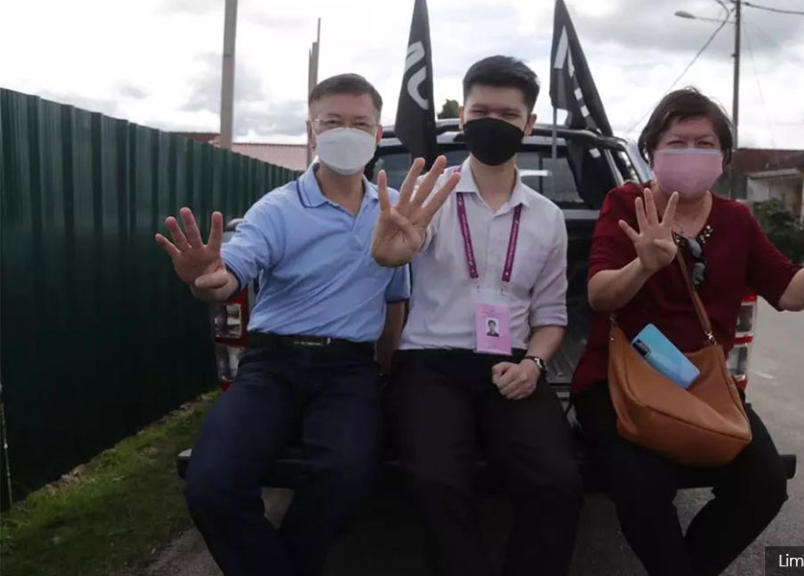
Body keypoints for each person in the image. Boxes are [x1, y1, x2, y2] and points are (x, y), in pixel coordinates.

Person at [571, 88, 804, 576]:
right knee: (641, 487)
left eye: (704, 142)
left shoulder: (737, 220)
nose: (691, 152)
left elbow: (792, 293)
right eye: (677, 141)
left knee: (765, 483)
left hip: (700, 384)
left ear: (724, 155)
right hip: (620, 381)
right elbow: (601, 295)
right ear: (650, 150)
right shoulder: (626, 202)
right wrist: (643, 265)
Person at [155, 73, 458, 576]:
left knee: (346, 477)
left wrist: (389, 374)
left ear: (378, 133)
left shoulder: (396, 210)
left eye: (360, 122)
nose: (347, 131)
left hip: (349, 371)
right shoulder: (276, 210)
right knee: (211, 483)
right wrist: (207, 279)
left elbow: (394, 303)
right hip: (272, 365)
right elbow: (230, 272)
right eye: (332, 121)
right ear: (311, 130)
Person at [370, 55, 583, 576]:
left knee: (557, 480)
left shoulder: (548, 217)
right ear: (461, 118)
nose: (494, 122)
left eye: (508, 114)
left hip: (510, 365)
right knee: (436, 480)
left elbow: (552, 314)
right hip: (429, 363)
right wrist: (395, 247)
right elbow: (391, 260)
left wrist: (534, 365)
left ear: (529, 125)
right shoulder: (424, 198)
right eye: (481, 110)